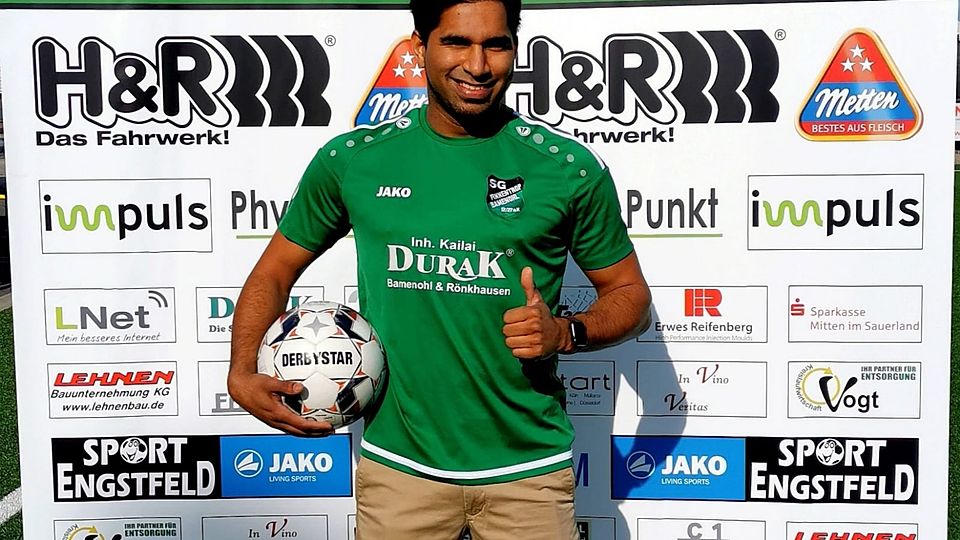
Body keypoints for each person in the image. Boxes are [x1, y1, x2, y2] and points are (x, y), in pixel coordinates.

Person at [227, 0, 652, 538]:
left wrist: (566, 333)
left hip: (530, 474)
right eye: (456, 42)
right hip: (399, 472)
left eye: (495, 45)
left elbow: (629, 295)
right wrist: (241, 369)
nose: (478, 65)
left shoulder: (566, 169)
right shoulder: (355, 160)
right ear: (418, 47)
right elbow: (273, 272)